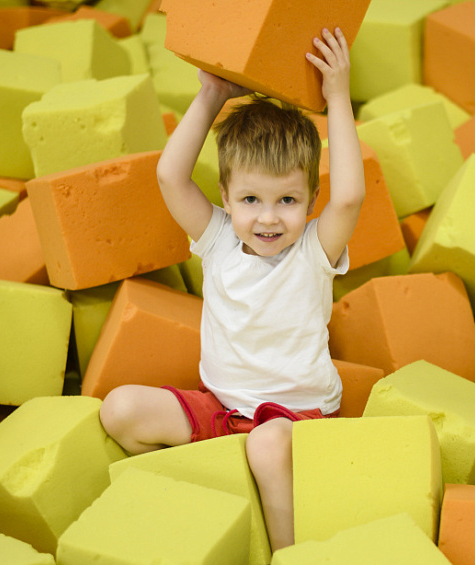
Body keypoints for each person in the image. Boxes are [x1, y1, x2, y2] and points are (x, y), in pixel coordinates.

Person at [99, 27, 365, 551]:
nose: (268, 218)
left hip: (296, 421)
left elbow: (351, 196)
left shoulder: (314, 250)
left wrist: (337, 96)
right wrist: (211, 95)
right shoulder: (217, 237)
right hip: (222, 412)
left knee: (267, 447)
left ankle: (286, 552)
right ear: (225, 196)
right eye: (250, 200)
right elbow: (171, 176)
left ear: (312, 198)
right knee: (120, 409)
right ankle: (213, 502)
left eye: (287, 200)